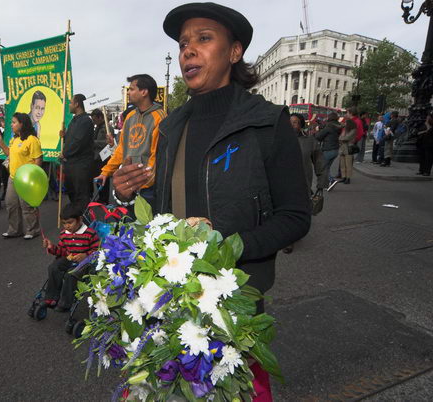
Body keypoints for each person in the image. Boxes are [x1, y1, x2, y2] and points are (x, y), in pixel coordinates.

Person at [113, 5, 311, 397]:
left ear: (234, 52)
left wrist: (227, 248)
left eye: (203, 39)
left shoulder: (268, 122)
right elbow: (162, 208)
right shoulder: (170, 128)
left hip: (235, 299)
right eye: (184, 43)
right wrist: (129, 193)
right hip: (173, 298)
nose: (188, 51)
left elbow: (295, 217)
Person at [95, 75, 166, 205]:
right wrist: (106, 172)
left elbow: (156, 157)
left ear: (144, 92)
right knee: (127, 223)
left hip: (148, 189)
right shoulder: (130, 117)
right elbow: (122, 149)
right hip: (128, 184)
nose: (128, 92)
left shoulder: (160, 117)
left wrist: (142, 183)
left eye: (132, 89)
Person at [41, 203, 100, 311]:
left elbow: (97, 250)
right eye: (64, 223)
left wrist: (86, 255)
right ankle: (51, 297)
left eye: (70, 222)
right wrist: (51, 247)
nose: (67, 226)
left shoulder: (90, 234)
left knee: (70, 275)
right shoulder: (64, 234)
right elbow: (61, 251)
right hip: (69, 258)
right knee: (53, 267)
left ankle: (65, 303)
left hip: (85, 263)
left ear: (80, 219)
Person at [0, 112, 42, 239]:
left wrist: (34, 177)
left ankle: (32, 230)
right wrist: (0, 143)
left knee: (27, 206)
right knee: (11, 204)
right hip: (13, 177)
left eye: (14, 122)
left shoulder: (32, 140)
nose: (11, 124)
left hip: (26, 179)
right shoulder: (14, 139)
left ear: (22, 124)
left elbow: (38, 159)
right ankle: (14, 230)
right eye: (11, 122)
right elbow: (9, 154)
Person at [285, 113, 327, 253]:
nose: (292, 125)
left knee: (298, 212)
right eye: (290, 122)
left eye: (295, 122)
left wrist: (321, 183)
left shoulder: (310, 141)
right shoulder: (279, 140)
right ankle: (289, 239)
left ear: (301, 124)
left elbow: (319, 162)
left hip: (302, 184)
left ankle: (295, 233)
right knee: (286, 212)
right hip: (283, 183)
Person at [61, 94, 94, 206]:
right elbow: (72, 140)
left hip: (80, 167)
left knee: (81, 197)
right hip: (71, 166)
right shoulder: (73, 120)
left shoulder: (86, 121)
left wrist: (64, 154)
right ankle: (75, 222)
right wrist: (64, 136)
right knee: (73, 195)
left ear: (77, 104)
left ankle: (83, 221)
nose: (69, 105)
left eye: (71, 102)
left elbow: (78, 143)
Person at [90, 108, 114, 204]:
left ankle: (104, 199)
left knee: (104, 179)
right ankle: (101, 197)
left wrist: (93, 142)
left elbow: (107, 143)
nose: (94, 122)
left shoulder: (107, 128)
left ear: (100, 117)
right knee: (99, 178)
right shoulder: (98, 127)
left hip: (103, 157)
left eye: (95, 119)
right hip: (97, 156)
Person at [315, 112, 341, 184]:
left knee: (323, 167)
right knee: (327, 167)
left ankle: (331, 180)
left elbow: (318, 137)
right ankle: (328, 182)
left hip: (328, 149)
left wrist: (317, 130)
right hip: (335, 150)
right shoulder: (337, 125)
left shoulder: (329, 127)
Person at [338, 119, 357, 184]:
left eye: (345, 123)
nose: (344, 124)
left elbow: (347, 138)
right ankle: (344, 177)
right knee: (342, 164)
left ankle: (348, 178)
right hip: (342, 148)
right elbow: (340, 137)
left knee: (348, 164)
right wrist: (341, 138)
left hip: (348, 148)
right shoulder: (345, 130)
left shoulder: (353, 130)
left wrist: (341, 139)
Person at [0, 116, 9, 200]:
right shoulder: (0, 132)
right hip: (3, 157)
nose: (3, 124)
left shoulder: (10, 132)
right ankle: (5, 191)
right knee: (4, 176)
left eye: (5, 122)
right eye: (2, 122)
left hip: (10, 156)